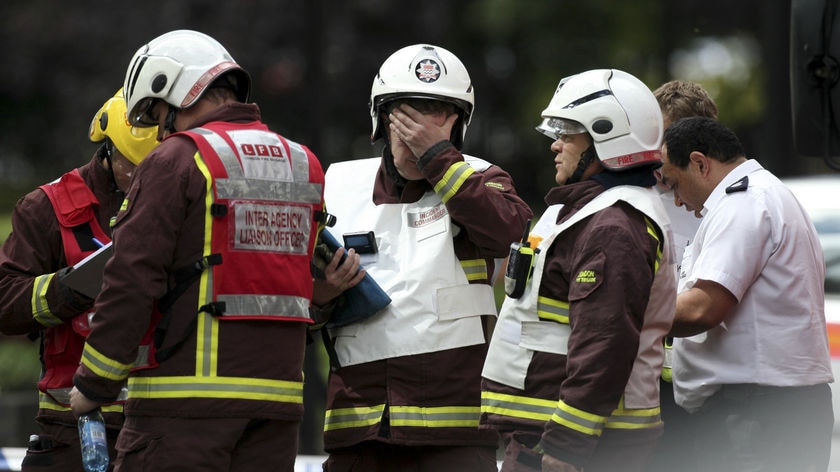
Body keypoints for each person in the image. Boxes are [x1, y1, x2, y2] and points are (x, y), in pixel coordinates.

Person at [68, 30, 326, 471]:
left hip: (184, 405)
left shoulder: (178, 160)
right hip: (278, 404)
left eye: (157, 112)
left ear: (171, 89)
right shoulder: (303, 162)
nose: (161, 127)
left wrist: (94, 384)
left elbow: (131, 277)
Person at [312, 43, 533, 472]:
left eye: (432, 121)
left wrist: (439, 159)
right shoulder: (337, 183)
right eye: (405, 121)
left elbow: (508, 234)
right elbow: (297, 301)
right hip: (361, 426)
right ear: (381, 120)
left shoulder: (482, 178)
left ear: (458, 126)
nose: (416, 137)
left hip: (455, 430)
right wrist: (322, 296)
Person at [480, 69, 677, 472]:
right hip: (553, 435)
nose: (555, 145)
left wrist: (568, 444)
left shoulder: (615, 225)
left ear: (608, 137)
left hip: (584, 446)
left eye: (568, 133)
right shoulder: (584, 212)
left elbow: (605, 341)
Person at [660, 116, 834, 472]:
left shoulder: (742, 203)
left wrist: (625, 312)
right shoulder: (766, 193)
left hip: (755, 415)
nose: (675, 201)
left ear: (699, 163)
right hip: (773, 410)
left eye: (673, 183)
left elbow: (702, 309)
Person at [0, 88, 158, 471]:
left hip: (157, 422)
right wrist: (68, 290)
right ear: (105, 150)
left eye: (152, 170)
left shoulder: (174, 208)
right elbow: (5, 302)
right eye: (131, 166)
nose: (140, 180)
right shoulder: (46, 207)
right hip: (71, 426)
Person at [646, 79, 718, 472]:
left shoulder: (727, 206)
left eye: (667, 137)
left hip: (708, 391)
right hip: (648, 387)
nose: (657, 151)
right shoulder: (632, 202)